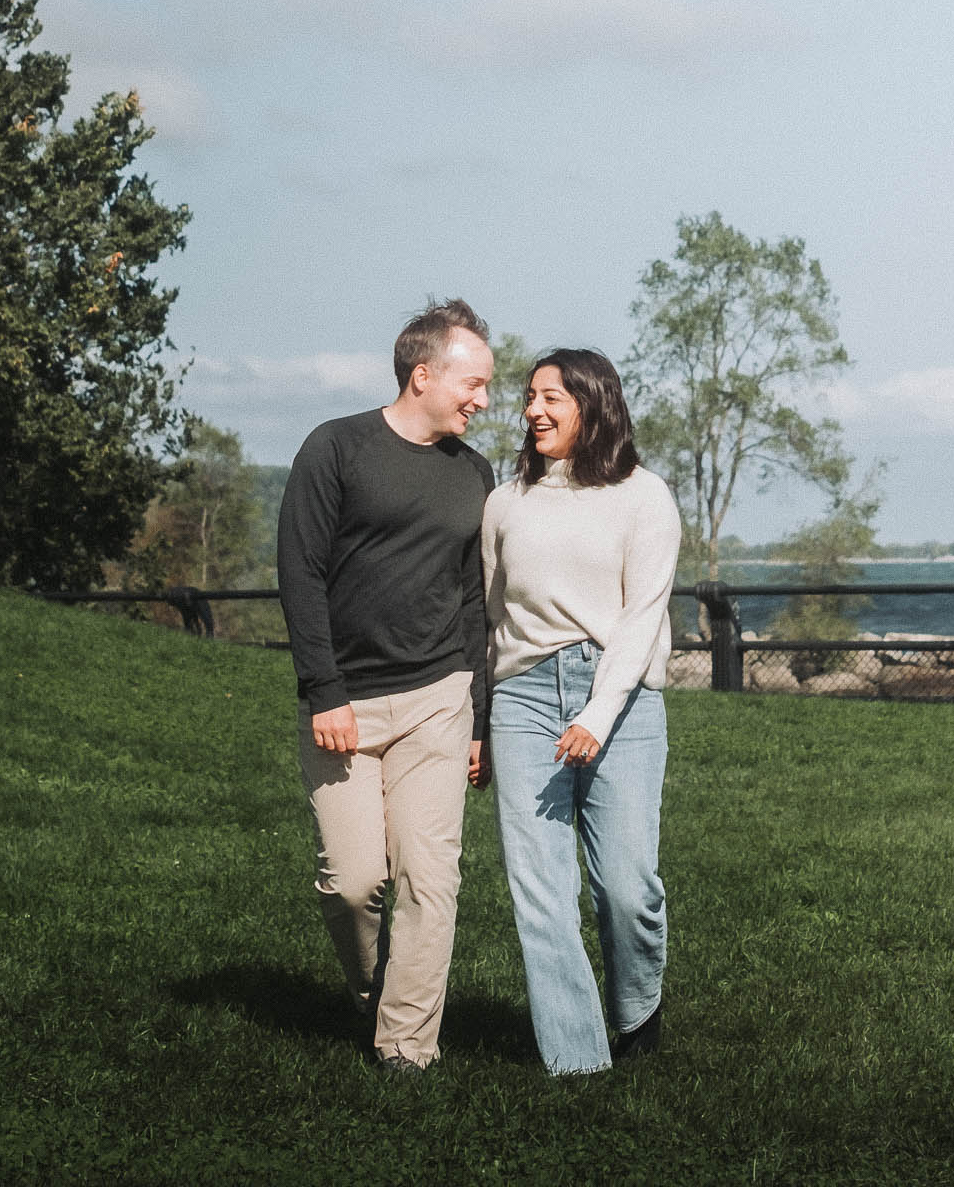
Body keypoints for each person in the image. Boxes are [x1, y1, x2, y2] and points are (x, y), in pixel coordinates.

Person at [276, 298, 495, 1072]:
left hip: (440, 694)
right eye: (473, 383)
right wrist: (324, 689)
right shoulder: (335, 448)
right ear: (423, 373)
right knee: (354, 882)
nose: (484, 399)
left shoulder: (475, 473)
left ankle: (407, 1046)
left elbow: (474, 599)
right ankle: (377, 996)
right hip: (346, 704)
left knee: (431, 881)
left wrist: (479, 719)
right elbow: (299, 575)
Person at [482, 348, 681, 1075]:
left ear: (593, 406)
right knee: (540, 892)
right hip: (524, 696)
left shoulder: (644, 497)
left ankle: (635, 1010)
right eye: (530, 397)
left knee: (627, 887)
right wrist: (483, 722)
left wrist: (596, 715)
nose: (534, 410)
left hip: (620, 700)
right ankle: (578, 1064)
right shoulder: (505, 503)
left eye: (551, 398)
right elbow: (493, 613)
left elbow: (640, 619)